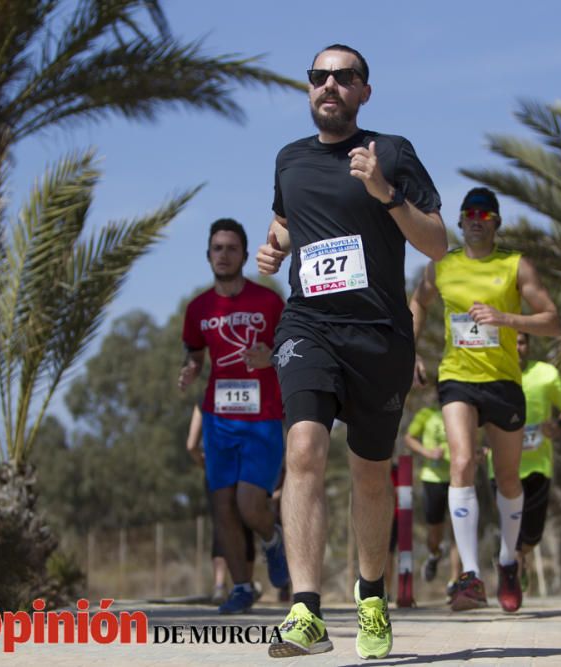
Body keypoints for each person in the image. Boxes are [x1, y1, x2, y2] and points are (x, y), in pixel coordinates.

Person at [256, 43, 446, 659]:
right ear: (310, 89)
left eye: (344, 77)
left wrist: (384, 190)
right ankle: (306, 611)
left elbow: (438, 243)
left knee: (369, 472)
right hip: (309, 327)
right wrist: (274, 247)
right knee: (304, 448)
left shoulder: (391, 152)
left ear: (365, 91)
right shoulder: (288, 159)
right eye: (320, 76)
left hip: (379, 335)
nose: (329, 85)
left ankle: (370, 597)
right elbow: (287, 221)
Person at [409, 186, 561, 613]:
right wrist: (411, 352)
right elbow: (417, 304)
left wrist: (506, 318)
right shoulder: (443, 264)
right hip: (457, 377)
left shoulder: (515, 266)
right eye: (469, 212)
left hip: (503, 381)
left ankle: (509, 562)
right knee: (461, 463)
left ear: (495, 222)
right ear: (459, 221)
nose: (476, 219)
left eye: (485, 213)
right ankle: (470, 576)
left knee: (508, 478)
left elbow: (554, 321)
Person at [178, 218, 290, 615]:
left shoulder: (269, 303)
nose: (223, 255)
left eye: (230, 248)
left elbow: (292, 352)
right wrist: (191, 369)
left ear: (244, 254)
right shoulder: (198, 308)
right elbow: (194, 352)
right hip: (218, 419)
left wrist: (271, 357)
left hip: (262, 419)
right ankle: (241, 587)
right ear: (208, 255)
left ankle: (272, 538)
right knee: (222, 504)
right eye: (216, 248)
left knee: (248, 503)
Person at [489, 332, 561, 591]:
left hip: (538, 465)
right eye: (512, 341)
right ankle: (511, 573)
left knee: (532, 535)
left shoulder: (546, 374)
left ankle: (520, 559)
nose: (517, 347)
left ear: (528, 346)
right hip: (501, 467)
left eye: (522, 342)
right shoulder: (491, 374)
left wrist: (558, 424)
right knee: (510, 528)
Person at [185, 403, 261, 604]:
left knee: (223, 523)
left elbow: (191, 445)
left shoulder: (204, 400)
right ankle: (246, 584)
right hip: (246, 465)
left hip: (217, 468)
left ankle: (220, 585)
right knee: (246, 524)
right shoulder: (248, 393)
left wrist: (206, 463)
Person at [402, 405, 462, 594]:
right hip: (433, 478)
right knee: (434, 533)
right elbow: (409, 438)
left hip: (458, 477)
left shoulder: (462, 409)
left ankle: (455, 581)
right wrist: (428, 453)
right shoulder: (426, 413)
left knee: (459, 531)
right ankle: (435, 553)